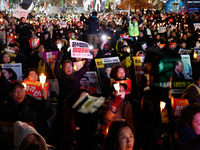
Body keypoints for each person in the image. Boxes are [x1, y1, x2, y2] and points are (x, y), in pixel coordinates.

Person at [0, 81, 50, 148]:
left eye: (21, 90)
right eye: (16, 91)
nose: (19, 93)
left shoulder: (29, 100)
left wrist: (45, 98)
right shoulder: (5, 106)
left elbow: (43, 106)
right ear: (10, 94)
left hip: (30, 138)